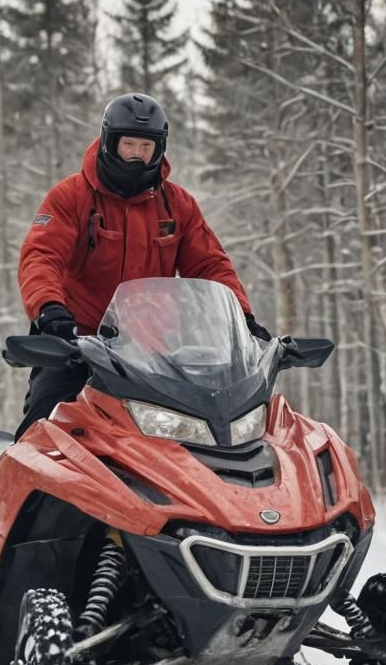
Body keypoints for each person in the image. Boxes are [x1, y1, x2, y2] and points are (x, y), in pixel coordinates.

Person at [14, 92, 270, 439]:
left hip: (151, 354)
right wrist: (49, 309)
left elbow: (210, 264)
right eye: (129, 144)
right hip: (75, 344)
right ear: (109, 142)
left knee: (201, 440)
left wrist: (242, 317)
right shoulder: (71, 196)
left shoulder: (178, 205)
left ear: (159, 149)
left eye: (146, 146)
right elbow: (41, 255)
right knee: (42, 432)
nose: (137, 153)